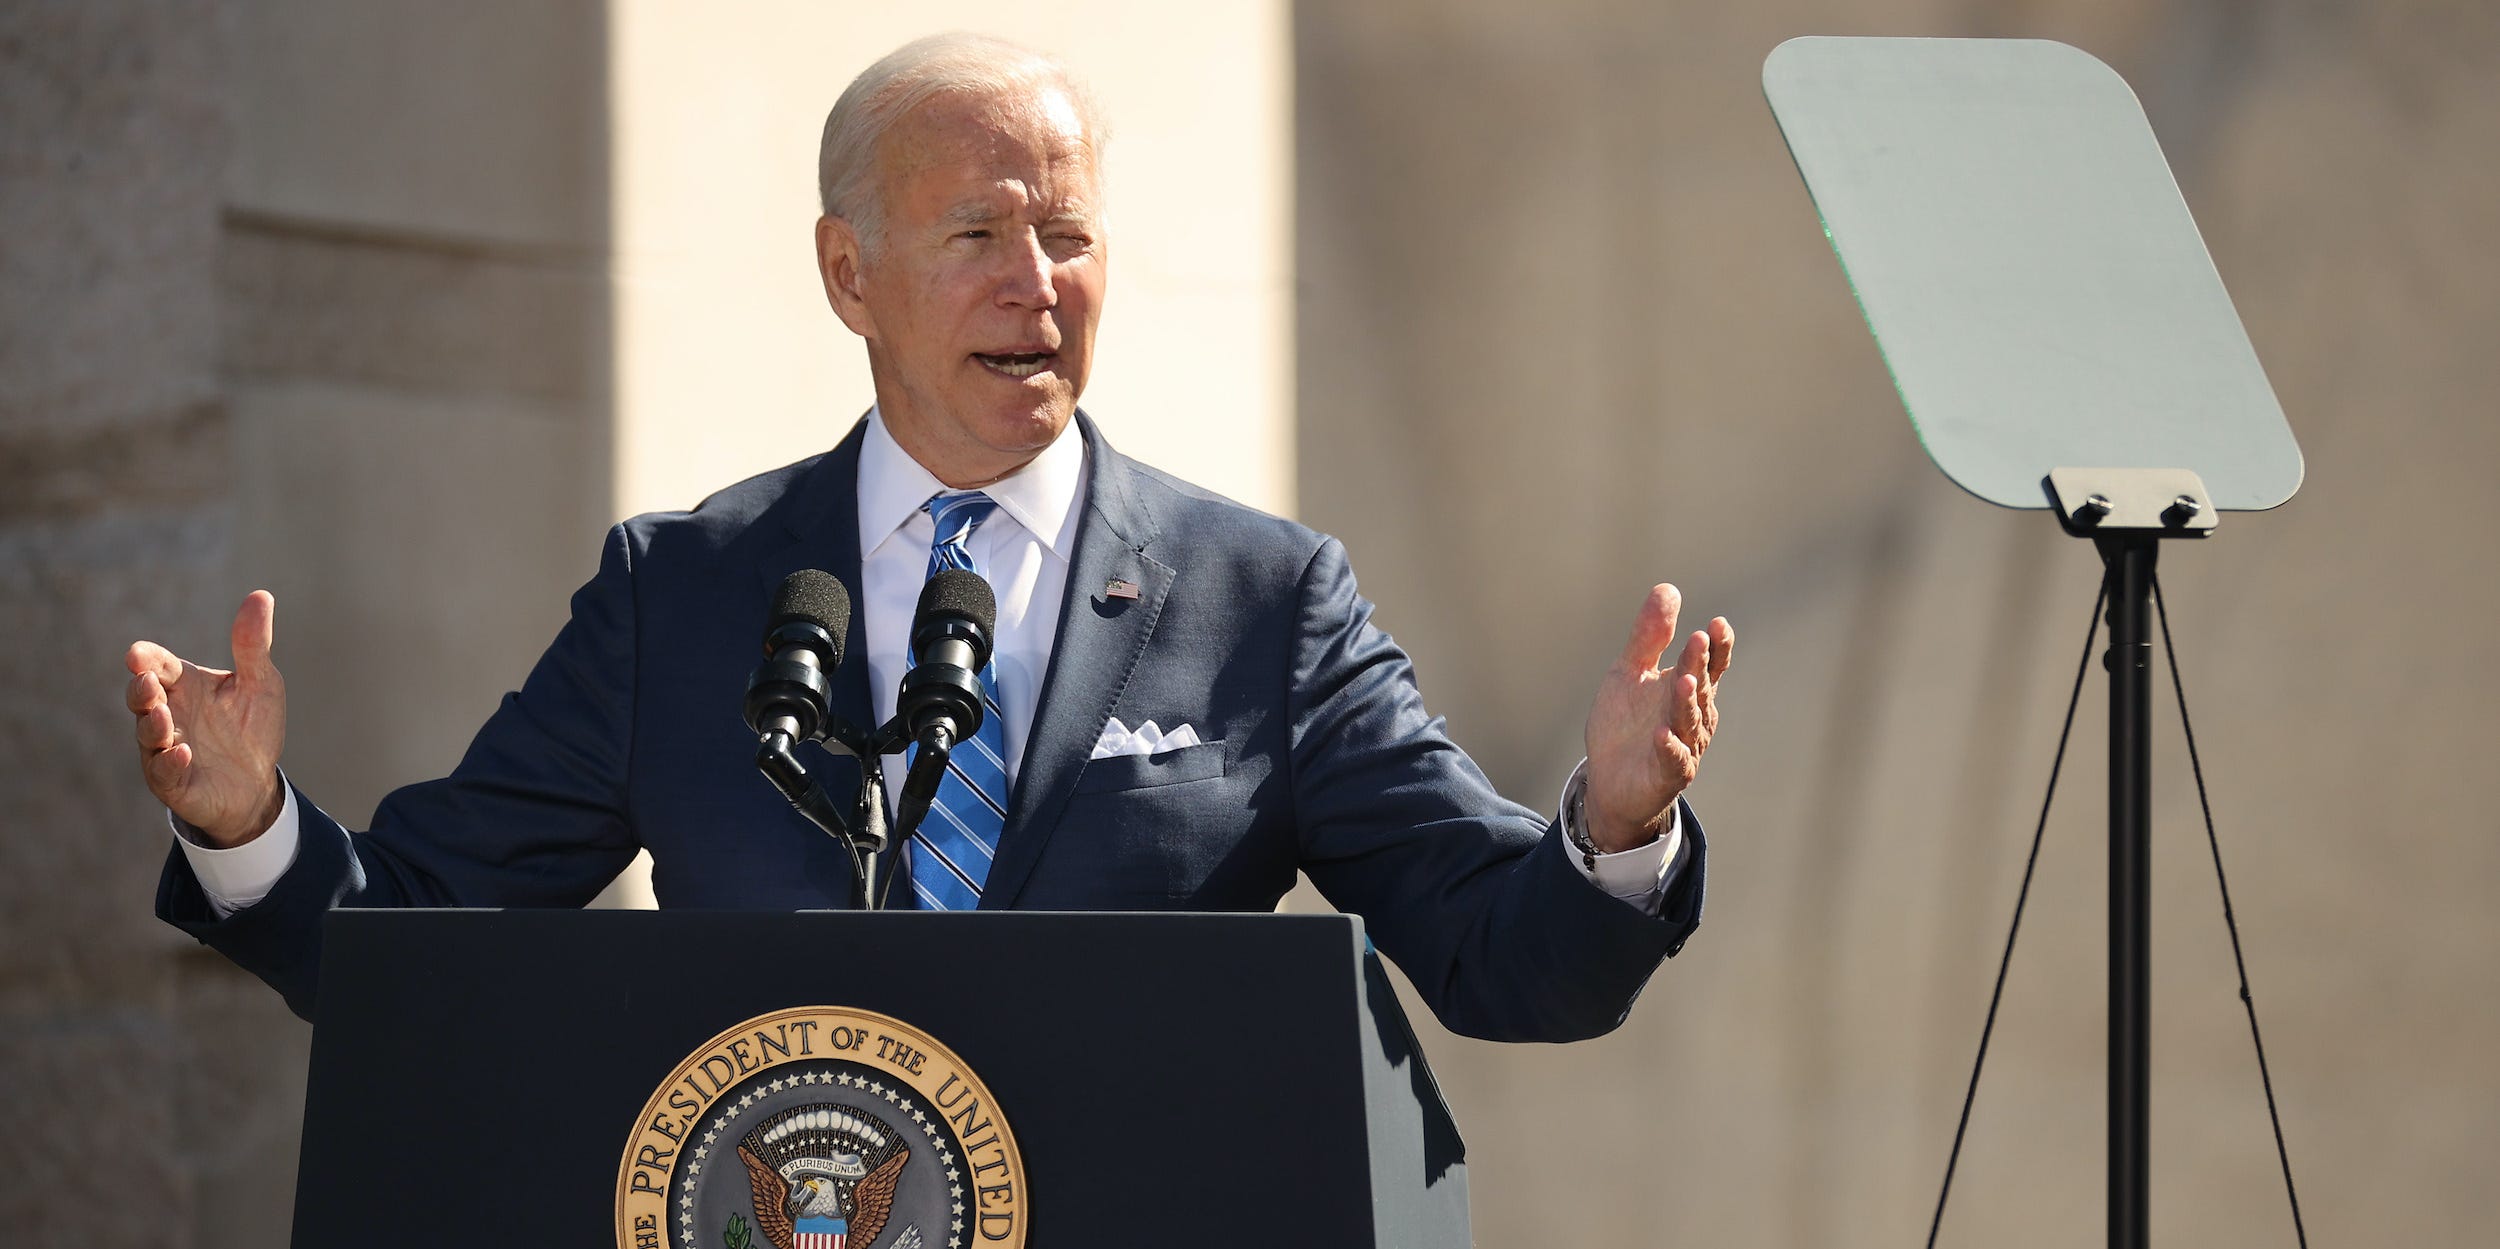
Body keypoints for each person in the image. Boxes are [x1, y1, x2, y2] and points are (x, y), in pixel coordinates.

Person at [126, 34, 1735, 1033]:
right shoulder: (680, 593)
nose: (1036, 283)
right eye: (978, 233)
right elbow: (410, 951)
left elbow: (1504, 962)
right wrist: (250, 818)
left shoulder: (1265, 600)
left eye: (1071, 233)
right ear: (849, 274)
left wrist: (1610, 825)